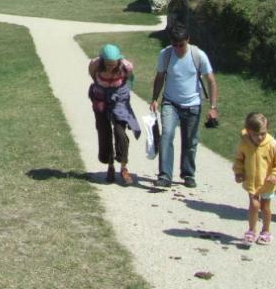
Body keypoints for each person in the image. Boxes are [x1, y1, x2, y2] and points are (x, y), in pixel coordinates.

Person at [150, 21, 219, 188]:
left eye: (181, 45)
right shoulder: (166, 54)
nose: (179, 48)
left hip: (193, 104)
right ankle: (165, 175)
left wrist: (213, 107)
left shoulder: (198, 55)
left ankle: (188, 174)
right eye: (175, 45)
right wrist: (154, 99)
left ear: (188, 39)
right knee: (166, 135)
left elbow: (211, 81)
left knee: (190, 142)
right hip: (170, 102)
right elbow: (160, 77)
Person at [233, 112, 276, 245]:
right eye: (255, 134)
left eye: (263, 133)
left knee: (265, 207)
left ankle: (266, 231)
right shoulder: (245, 144)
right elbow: (239, 160)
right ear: (248, 131)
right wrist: (239, 172)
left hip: (267, 183)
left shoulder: (273, 145)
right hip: (252, 180)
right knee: (253, 205)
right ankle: (251, 230)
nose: (259, 137)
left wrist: (275, 174)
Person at [88, 44, 140, 184]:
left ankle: (123, 166)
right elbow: (92, 74)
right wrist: (101, 87)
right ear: (102, 60)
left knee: (120, 132)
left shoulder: (126, 66)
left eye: (113, 64)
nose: (111, 67)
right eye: (108, 64)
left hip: (119, 98)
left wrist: (123, 94)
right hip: (100, 98)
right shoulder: (95, 64)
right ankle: (110, 165)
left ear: (119, 60)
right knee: (104, 132)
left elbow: (130, 80)